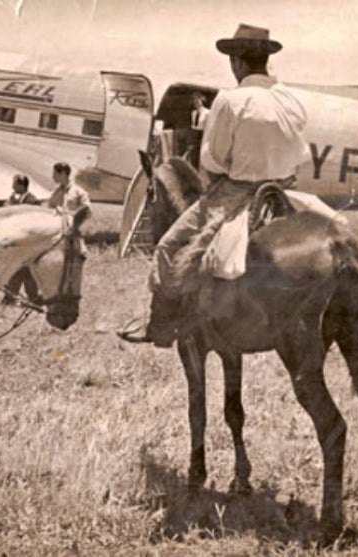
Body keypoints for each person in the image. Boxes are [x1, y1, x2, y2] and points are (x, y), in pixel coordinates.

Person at [120, 24, 308, 347]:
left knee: (167, 246)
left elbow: (212, 160)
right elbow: (300, 152)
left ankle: (161, 327)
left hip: (236, 192)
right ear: (265, 60)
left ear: (237, 62)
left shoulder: (229, 100)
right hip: (283, 191)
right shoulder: (290, 99)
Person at [2, 174, 40, 305]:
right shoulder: (12, 199)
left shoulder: (33, 201)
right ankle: (23, 296)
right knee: (17, 268)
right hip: (14, 240)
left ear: (22, 185)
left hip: (26, 241)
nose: (12, 187)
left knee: (24, 269)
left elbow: (30, 220)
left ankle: (16, 296)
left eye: (15, 184)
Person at [47, 162, 91, 231]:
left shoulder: (78, 192)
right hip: (54, 230)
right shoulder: (55, 192)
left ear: (63, 174)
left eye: (55, 174)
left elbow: (86, 209)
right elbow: (49, 207)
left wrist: (70, 213)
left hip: (73, 231)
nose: (53, 176)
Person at [187, 92, 210, 169]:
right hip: (194, 134)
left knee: (202, 154)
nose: (196, 103)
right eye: (194, 102)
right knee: (193, 155)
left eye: (198, 100)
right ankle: (195, 170)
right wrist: (191, 139)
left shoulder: (207, 112)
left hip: (202, 134)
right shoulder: (193, 113)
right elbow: (193, 126)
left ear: (202, 100)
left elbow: (208, 126)